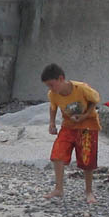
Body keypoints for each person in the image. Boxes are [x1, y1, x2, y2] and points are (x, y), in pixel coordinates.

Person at [41, 63, 101, 204]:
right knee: (57, 154)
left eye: (52, 85)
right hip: (68, 126)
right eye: (48, 86)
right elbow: (53, 107)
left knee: (87, 160)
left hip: (88, 126)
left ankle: (89, 191)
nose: (51, 89)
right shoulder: (53, 94)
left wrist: (85, 116)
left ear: (61, 79)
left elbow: (95, 101)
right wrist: (52, 123)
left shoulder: (81, 88)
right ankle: (58, 188)